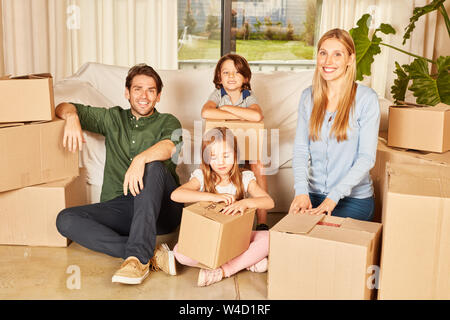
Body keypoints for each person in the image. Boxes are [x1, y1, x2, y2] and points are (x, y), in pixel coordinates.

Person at [55, 63, 184, 285]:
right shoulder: (112, 118)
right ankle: (148, 253)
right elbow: (63, 106)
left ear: (159, 96)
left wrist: (140, 159)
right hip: (124, 207)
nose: (144, 96)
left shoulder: (168, 121)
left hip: (163, 210)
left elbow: (170, 147)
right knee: (65, 220)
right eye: (137, 89)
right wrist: (72, 118)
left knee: (153, 166)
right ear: (127, 92)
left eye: (151, 90)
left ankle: (136, 260)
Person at [289, 28, 380, 221]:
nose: (328, 61)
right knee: (292, 241)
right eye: (323, 53)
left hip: (354, 200)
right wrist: (301, 192)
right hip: (312, 195)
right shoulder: (308, 97)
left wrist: (332, 199)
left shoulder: (366, 99)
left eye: (337, 54)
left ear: (350, 59)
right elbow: (300, 149)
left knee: (327, 244)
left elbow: (366, 158)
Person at [170, 127, 274, 287]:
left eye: (226, 155)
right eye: (213, 157)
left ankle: (223, 270)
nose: (220, 162)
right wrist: (214, 197)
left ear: (235, 155)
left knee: (269, 239)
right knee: (179, 252)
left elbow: (269, 202)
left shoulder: (244, 177)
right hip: (210, 239)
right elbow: (176, 195)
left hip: (239, 239)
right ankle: (246, 261)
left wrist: (245, 202)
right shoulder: (203, 177)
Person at [201, 53, 269, 231]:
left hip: (246, 148)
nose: (231, 77)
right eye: (226, 73)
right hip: (223, 149)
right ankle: (210, 213)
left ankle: (262, 223)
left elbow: (256, 115)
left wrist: (226, 109)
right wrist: (239, 114)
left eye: (237, 73)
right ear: (219, 77)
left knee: (259, 165)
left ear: (245, 77)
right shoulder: (217, 94)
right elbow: (206, 113)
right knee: (207, 165)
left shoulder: (248, 95)